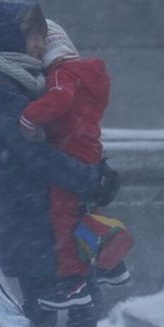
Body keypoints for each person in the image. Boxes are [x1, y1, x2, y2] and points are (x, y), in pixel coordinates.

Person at [0, 0, 125, 327]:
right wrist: (87, 178)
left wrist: (98, 172)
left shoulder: (35, 81)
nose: (43, 42)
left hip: (58, 215)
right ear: (12, 39)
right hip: (31, 221)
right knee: (36, 318)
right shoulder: (0, 88)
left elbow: (67, 132)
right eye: (34, 34)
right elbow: (30, 154)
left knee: (84, 307)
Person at [18, 20, 132, 310]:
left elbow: (60, 99)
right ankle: (113, 265)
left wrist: (29, 117)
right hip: (90, 149)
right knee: (82, 212)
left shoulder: (62, 74)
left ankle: (72, 282)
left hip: (69, 152)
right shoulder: (92, 74)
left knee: (63, 218)